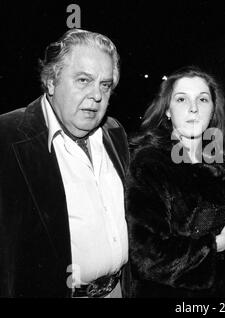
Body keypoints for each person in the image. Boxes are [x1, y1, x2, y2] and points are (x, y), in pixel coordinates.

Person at [0, 29, 129, 297]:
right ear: (51, 81)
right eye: (83, 80)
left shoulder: (115, 133)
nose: (96, 95)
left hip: (119, 290)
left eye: (105, 85)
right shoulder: (8, 136)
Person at [125, 66, 225, 297]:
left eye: (203, 100)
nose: (193, 108)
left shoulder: (219, 164)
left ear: (213, 110)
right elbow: (146, 257)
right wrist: (216, 246)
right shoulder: (150, 162)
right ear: (167, 110)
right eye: (182, 99)